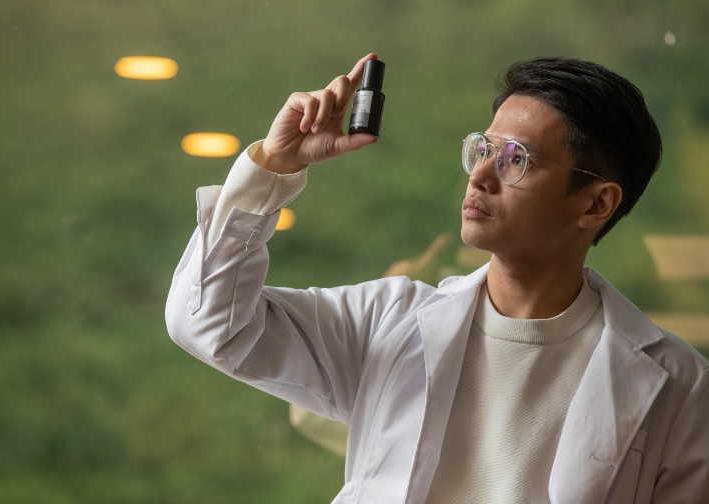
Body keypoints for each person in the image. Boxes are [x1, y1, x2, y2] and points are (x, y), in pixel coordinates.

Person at [165, 54, 709, 503]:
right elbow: (211, 326)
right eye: (483, 149)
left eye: (516, 159)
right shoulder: (389, 320)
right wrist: (272, 167)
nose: (480, 176)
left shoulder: (680, 386)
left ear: (596, 204)